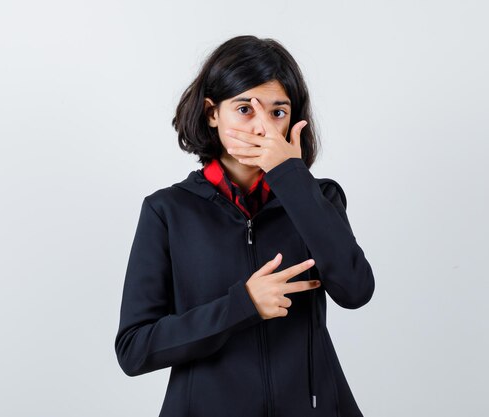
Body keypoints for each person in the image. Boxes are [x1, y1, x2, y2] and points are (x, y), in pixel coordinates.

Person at [114, 35, 375, 417]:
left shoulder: (320, 199)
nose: (263, 129)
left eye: (278, 112)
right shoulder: (167, 211)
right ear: (211, 113)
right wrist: (243, 305)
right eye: (244, 109)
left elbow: (356, 290)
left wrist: (292, 178)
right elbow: (134, 349)